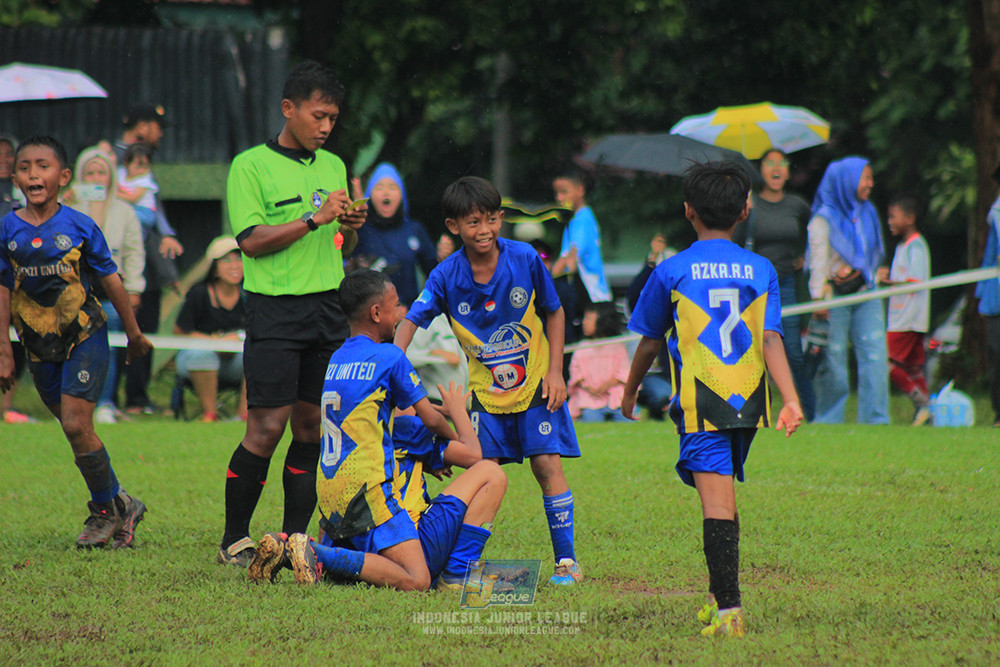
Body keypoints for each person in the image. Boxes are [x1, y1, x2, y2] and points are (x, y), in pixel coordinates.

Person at [621, 161, 802, 638]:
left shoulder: (672, 269)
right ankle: (716, 596)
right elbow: (771, 338)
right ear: (745, 210)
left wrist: (630, 388)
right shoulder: (761, 268)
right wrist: (790, 398)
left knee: (716, 504)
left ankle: (729, 614)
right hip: (750, 402)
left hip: (703, 402)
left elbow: (650, 341)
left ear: (688, 211)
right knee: (722, 495)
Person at [246, 271, 506, 589]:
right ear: (376, 313)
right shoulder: (390, 357)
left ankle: (289, 551)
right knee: (418, 578)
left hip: (330, 494)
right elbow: (433, 421)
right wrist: (452, 421)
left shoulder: (337, 358)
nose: (401, 313)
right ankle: (319, 553)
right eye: (396, 306)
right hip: (369, 492)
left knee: (355, 569)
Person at [395, 176, 584, 586]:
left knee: (546, 465)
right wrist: (393, 369)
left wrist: (556, 372)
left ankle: (566, 563)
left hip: (535, 386)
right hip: (485, 395)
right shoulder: (446, 275)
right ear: (453, 226)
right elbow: (409, 321)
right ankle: (461, 568)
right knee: (483, 474)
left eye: (492, 219)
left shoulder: (525, 258)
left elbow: (554, 311)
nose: (485, 230)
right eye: (474, 222)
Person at [218, 61, 368, 567]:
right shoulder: (250, 166)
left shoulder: (334, 166)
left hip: (328, 308)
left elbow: (341, 245)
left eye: (333, 118)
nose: (326, 127)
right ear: (289, 109)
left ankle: (293, 542)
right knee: (266, 427)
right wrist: (313, 218)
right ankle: (234, 539)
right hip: (275, 310)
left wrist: (351, 226)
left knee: (311, 427)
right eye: (318, 115)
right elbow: (251, 242)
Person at [0, 135, 152, 548]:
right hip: (37, 343)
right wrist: (4, 351)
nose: (34, 174)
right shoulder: (7, 229)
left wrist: (134, 333)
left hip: (84, 334)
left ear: (64, 177)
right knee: (74, 429)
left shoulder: (80, 226)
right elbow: (3, 289)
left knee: (75, 423)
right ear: (15, 178)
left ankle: (104, 512)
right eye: (25, 167)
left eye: (43, 166)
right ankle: (122, 503)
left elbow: (111, 279)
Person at [112, 104, 184, 416]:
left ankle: (137, 398)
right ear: (142, 126)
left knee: (144, 330)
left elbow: (155, 214)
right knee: (117, 330)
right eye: (158, 127)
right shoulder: (108, 159)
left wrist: (168, 257)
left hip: (147, 264)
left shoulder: (144, 166)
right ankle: (109, 398)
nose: (161, 134)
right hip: (116, 261)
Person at [734, 148, 816, 421]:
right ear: (761, 170)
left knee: (792, 352)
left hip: (785, 284)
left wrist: (804, 257)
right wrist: (745, 211)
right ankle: (749, 411)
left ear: (789, 171)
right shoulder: (751, 203)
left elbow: (816, 233)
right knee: (749, 350)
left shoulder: (797, 205)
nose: (776, 168)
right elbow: (735, 241)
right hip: (752, 287)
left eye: (782, 163)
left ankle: (807, 412)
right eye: (770, 163)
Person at [807, 157, 889, 424]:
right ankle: (829, 420)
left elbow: (871, 253)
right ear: (847, 180)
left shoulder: (867, 212)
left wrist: (872, 273)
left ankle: (876, 421)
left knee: (875, 357)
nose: (870, 184)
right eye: (865, 178)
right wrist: (818, 298)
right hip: (833, 297)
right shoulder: (823, 218)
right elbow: (818, 261)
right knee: (834, 360)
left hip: (867, 293)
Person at [69, 146, 146, 425]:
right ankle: (72, 404)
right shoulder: (67, 209)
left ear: (111, 176)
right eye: (89, 173)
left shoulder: (124, 211)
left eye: (101, 172)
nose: (95, 178)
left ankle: (104, 404)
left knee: (108, 347)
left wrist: (134, 288)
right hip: (72, 290)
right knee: (72, 348)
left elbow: (134, 252)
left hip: (111, 291)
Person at [173, 237, 247, 423]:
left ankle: (244, 416)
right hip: (195, 358)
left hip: (235, 361)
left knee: (258, 355)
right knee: (202, 354)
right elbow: (180, 331)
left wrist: (237, 337)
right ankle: (210, 415)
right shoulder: (199, 293)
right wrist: (214, 342)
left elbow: (257, 330)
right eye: (226, 261)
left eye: (239, 259)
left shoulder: (249, 293)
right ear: (214, 267)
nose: (234, 266)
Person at [876, 195, 931, 426]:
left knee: (884, 361)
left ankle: (923, 403)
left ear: (910, 218)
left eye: (893, 217)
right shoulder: (902, 247)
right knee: (912, 367)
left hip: (907, 319)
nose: (890, 221)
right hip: (903, 317)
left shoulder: (916, 246)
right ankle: (928, 414)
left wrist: (886, 282)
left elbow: (914, 281)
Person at [353, 163, 438, 306]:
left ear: (402, 195)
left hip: (409, 314)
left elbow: (435, 273)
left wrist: (443, 258)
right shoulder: (360, 231)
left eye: (393, 187)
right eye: (379, 187)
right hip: (369, 313)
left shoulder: (414, 230)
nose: (386, 193)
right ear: (369, 195)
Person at [0, 133, 33, 424]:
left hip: (18, 279)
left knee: (17, 342)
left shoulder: (24, 194)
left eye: (9, 154)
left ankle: (7, 407)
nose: (4, 159)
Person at [551, 169, 611, 305]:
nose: (559, 198)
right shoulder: (576, 219)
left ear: (580, 190)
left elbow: (570, 260)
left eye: (564, 192)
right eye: (556, 193)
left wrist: (546, 280)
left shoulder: (581, 221)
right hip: (591, 294)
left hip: (593, 295)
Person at [568, 302, 632, 422]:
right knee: (591, 418)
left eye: (588, 319)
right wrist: (589, 387)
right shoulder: (582, 347)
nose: (584, 323)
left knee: (626, 418)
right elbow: (575, 371)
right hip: (589, 397)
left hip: (614, 396)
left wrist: (605, 386)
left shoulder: (617, 347)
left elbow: (624, 373)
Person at [975, 167, 1000, 427]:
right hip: (997, 297)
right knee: (997, 355)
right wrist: (982, 294)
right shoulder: (996, 215)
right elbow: (990, 257)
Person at [116, 142, 158, 228]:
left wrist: (114, 194)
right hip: (128, 208)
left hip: (144, 212)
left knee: (122, 215)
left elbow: (133, 198)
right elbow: (116, 185)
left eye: (145, 167)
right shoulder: (120, 173)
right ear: (126, 163)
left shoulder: (145, 180)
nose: (141, 170)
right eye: (137, 167)